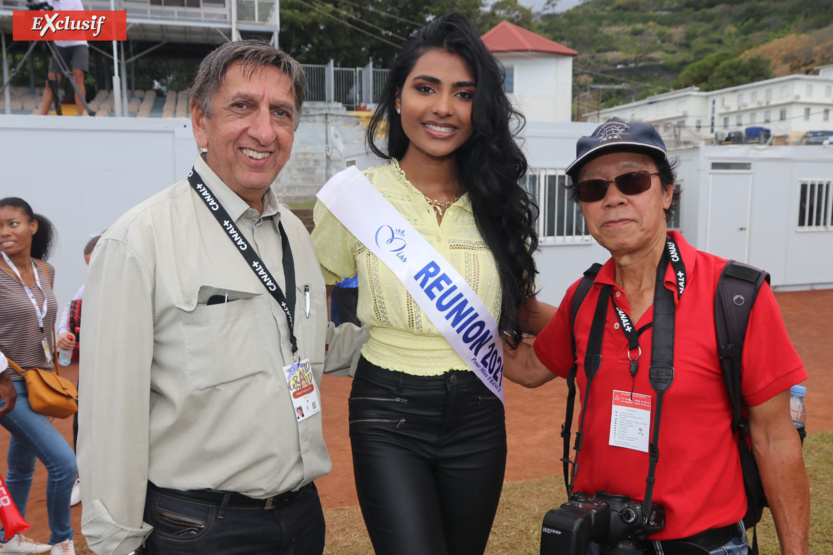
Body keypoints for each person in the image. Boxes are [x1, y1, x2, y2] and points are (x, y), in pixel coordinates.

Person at [78, 40, 365, 555]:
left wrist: (427, 339)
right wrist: (115, 544)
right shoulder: (139, 240)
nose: (264, 131)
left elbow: (310, 343)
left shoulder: (296, 237)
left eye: (281, 113)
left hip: (301, 519)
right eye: (242, 107)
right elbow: (110, 416)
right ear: (199, 120)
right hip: (199, 528)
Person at [504, 118, 810, 554]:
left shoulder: (735, 296)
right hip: (600, 541)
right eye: (594, 189)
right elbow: (531, 367)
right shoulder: (585, 296)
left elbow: (775, 439)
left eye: (632, 180)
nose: (613, 198)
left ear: (666, 192)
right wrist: (450, 321)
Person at [312, 14, 550, 555]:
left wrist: (601, 321)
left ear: (479, 109)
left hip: (479, 415)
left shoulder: (496, 202)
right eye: (426, 88)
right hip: (386, 411)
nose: (443, 107)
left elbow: (520, 308)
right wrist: (338, 350)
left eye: (463, 94)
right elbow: (303, 298)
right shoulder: (353, 198)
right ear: (398, 98)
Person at [0, 197, 77, 555]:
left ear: (32, 226)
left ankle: (7, 539)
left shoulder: (45, 271)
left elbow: (42, 325)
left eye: (12, 223)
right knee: (64, 463)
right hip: (6, 385)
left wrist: (48, 381)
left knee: (21, 467)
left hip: (37, 382)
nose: (4, 232)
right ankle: (62, 539)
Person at [55, 233, 101, 508]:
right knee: (82, 421)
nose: (94, 271)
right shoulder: (87, 288)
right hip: (94, 368)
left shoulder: (142, 283)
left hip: (136, 370)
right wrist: (62, 335)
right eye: (90, 265)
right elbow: (65, 319)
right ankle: (83, 479)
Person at [37, 0, 90, 116]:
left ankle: (80, 115)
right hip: (60, 44)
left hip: (78, 42)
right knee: (51, 79)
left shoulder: (75, 2)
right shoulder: (44, 1)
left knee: (78, 75)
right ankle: (41, 116)